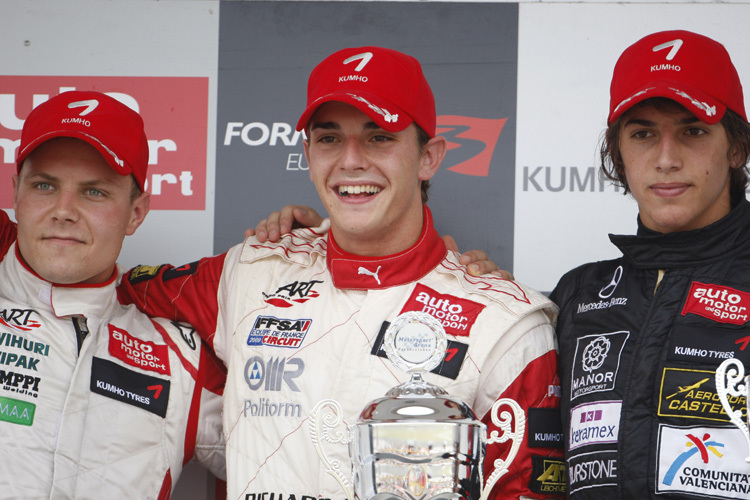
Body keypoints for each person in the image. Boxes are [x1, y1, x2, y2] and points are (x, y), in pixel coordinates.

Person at [118, 46, 563, 499]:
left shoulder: (505, 323)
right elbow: (103, 290)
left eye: (379, 137)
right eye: (329, 138)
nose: (350, 160)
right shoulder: (248, 271)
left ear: (429, 156)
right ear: (308, 154)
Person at [549, 30, 750, 499]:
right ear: (619, 154)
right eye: (643, 133)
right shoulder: (576, 295)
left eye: (693, 131)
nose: (665, 159)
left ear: (736, 148)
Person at [0, 90, 226, 499]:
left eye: (94, 192)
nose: (64, 209)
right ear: (16, 193)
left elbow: (290, 453)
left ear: (135, 213)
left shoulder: (181, 359)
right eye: (45, 185)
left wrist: (314, 249)